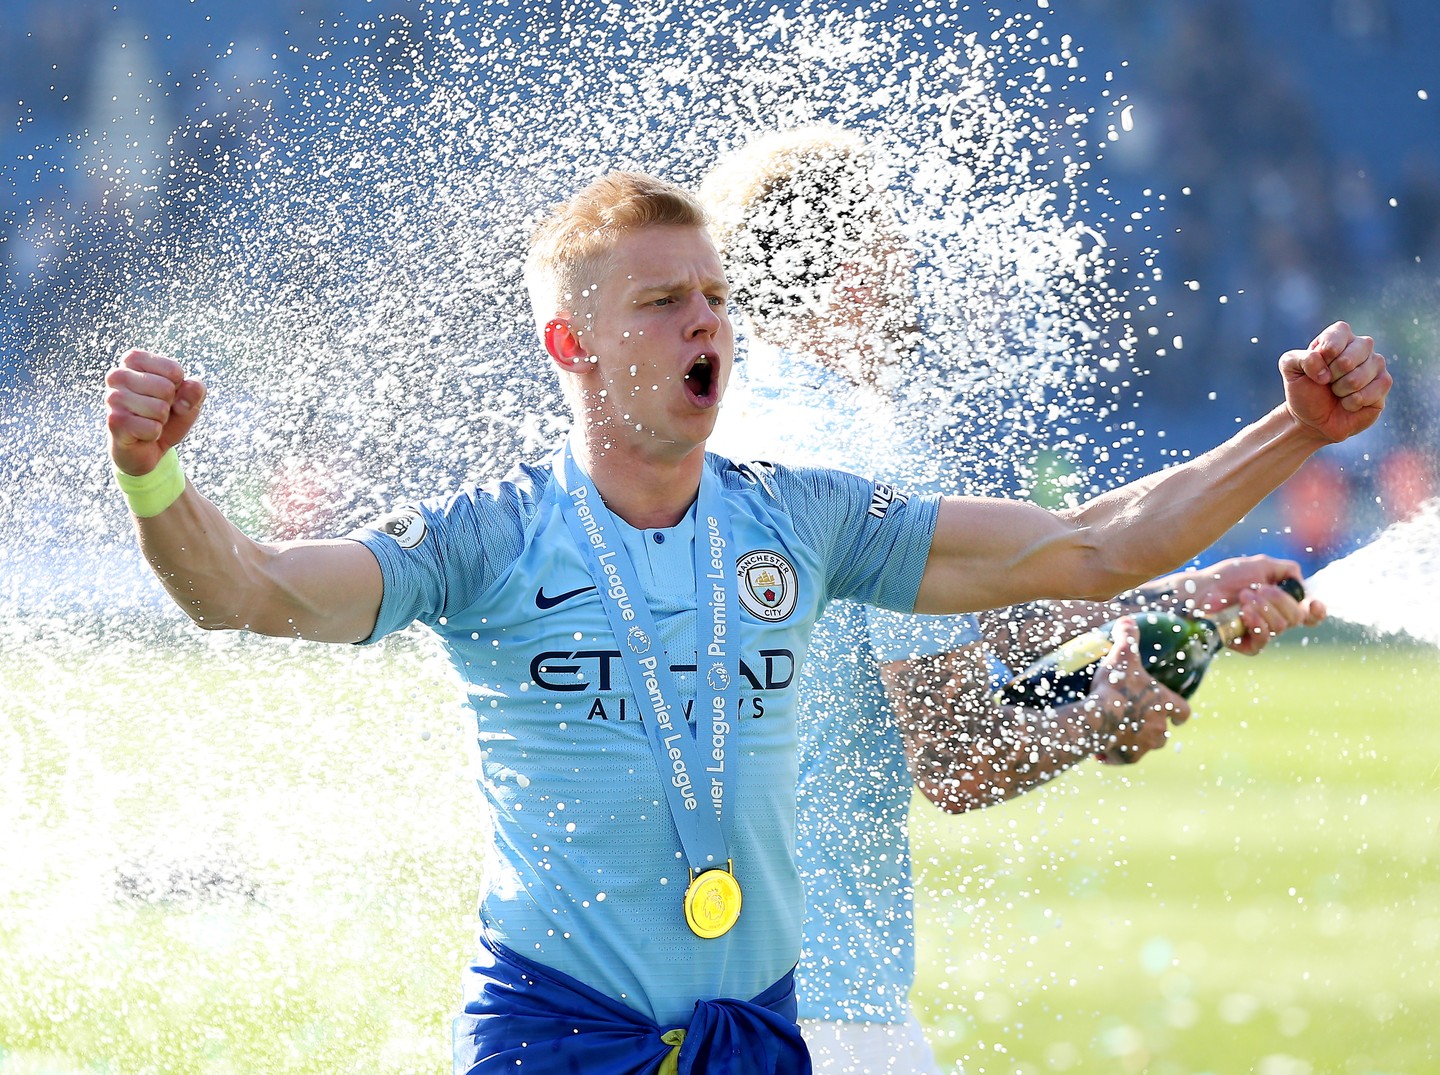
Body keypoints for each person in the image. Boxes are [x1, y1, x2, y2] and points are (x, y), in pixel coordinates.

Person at [103, 170, 1388, 1075]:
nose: (706, 320)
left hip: (764, 1035)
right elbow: (251, 592)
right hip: (558, 1036)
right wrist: (159, 478)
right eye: (663, 302)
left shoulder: (805, 516)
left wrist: (1297, 432)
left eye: (714, 295)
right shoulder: (488, 538)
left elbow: (1096, 544)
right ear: (573, 341)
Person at [699, 126, 1328, 1071]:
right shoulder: (869, 459)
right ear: (858, 270)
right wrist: (1102, 716)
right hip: (818, 1009)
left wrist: (1177, 595)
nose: (905, 294)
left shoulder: (690, 443)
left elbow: (922, 606)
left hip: (655, 1001)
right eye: (895, 256)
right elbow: (954, 757)